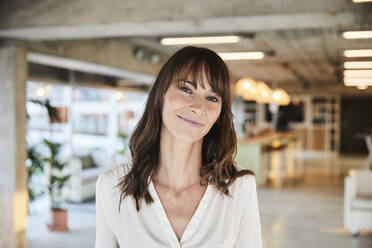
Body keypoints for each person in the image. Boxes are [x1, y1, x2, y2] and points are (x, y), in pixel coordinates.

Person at [95, 46, 262, 248]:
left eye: (212, 98)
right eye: (186, 89)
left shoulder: (240, 187)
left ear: (219, 114)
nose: (198, 107)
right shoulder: (112, 187)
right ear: (160, 95)